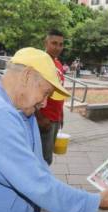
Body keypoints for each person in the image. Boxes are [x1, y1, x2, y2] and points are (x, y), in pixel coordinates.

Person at [0, 47, 108, 212]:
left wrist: (73, 209)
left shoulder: (20, 109)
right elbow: (36, 183)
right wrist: (91, 203)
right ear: (27, 75)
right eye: (45, 93)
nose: (44, 103)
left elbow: (38, 168)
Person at [35, 29, 65, 165]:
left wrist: (61, 115)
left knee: (47, 158)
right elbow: (31, 92)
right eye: (54, 43)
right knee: (42, 160)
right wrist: (40, 117)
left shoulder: (58, 64)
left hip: (55, 118)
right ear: (46, 43)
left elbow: (59, 92)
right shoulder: (39, 62)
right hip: (44, 118)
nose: (57, 47)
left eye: (60, 44)